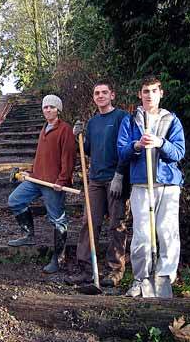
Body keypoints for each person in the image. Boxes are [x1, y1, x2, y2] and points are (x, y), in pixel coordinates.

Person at [117, 75, 185, 297]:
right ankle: (141, 280)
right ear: (140, 94)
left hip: (167, 184)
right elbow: (122, 151)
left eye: (154, 91)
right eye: (145, 91)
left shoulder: (171, 120)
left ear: (161, 93)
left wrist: (160, 143)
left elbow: (179, 152)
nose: (149, 95)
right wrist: (137, 145)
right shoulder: (130, 121)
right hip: (141, 185)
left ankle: (165, 278)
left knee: (167, 232)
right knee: (142, 235)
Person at [66, 79, 129, 287]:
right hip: (95, 179)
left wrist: (120, 175)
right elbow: (88, 150)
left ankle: (115, 271)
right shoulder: (92, 122)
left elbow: (126, 147)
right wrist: (79, 139)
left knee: (116, 225)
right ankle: (85, 269)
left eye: (104, 92)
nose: (100, 96)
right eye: (96, 93)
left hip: (115, 179)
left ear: (112, 95)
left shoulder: (121, 117)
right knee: (89, 223)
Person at [7, 94, 76, 274]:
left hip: (54, 183)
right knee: (15, 200)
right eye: (45, 107)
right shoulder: (44, 128)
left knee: (58, 220)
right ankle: (28, 235)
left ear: (58, 110)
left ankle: (58, 259)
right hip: (36, 179)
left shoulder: (65, 129)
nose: (48, 110)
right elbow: (41, 156)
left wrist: (62, 180)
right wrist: (30, 172)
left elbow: (68, 159)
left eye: (52, 107)